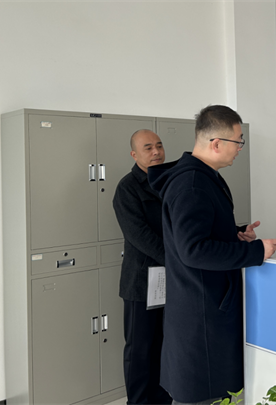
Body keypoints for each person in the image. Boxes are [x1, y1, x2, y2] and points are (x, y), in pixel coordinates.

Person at [148, 105, 276, 405]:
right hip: (201, 312)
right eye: (239, 141)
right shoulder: (192, 184)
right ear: (217, 143)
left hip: (203, 304)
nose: (240, 148)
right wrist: (256, 251)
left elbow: (197, 232)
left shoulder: (203, 177)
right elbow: (193, 250)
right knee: (202, 395)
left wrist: (235, 233)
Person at [112, 129, 172, 405]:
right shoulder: (127, 188)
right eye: (148, 148)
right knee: (139, 349)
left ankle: (161, 399)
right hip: (141, 283)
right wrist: (178, 259)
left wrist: (236, 231)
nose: (156, 152)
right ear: (134, 154)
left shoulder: (169, 182)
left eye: (159, 145)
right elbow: (139, 236)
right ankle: (137, 401)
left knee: (164, 344)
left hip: (171, 279)